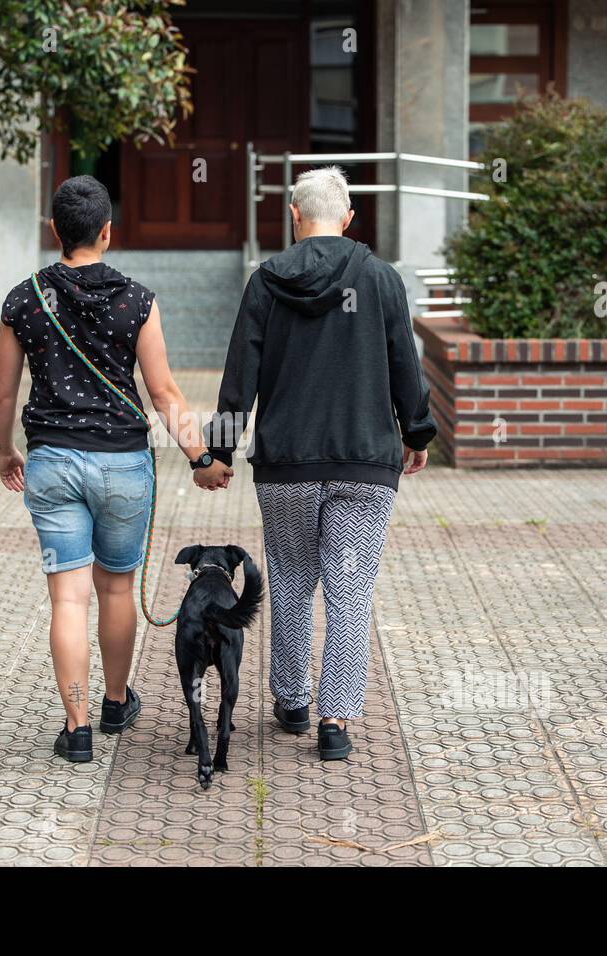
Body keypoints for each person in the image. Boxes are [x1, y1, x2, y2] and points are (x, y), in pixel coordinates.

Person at [0, 175, 232, 764]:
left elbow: (2, 394)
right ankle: (117, 701)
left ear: (54, 232)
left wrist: (6, 449)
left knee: (68, 600)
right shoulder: (138, 300)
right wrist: (201, 458)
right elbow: (165, 392)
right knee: (116, 587)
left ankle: (76, 729)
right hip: (123, 465)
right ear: (106, 231)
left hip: (50, 463)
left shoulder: (24, 298)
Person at [203, 165, 436, 761]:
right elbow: (406, 365)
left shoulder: (266, 282)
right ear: (349, 217)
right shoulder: (381, 280)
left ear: (295, 216)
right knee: (349, 588)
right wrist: (417, 432)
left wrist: (220, 452)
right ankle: (335, 721)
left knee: (290, 581)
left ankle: (293, 702)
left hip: (287, 464)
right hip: (364, 464)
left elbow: (239, 379)